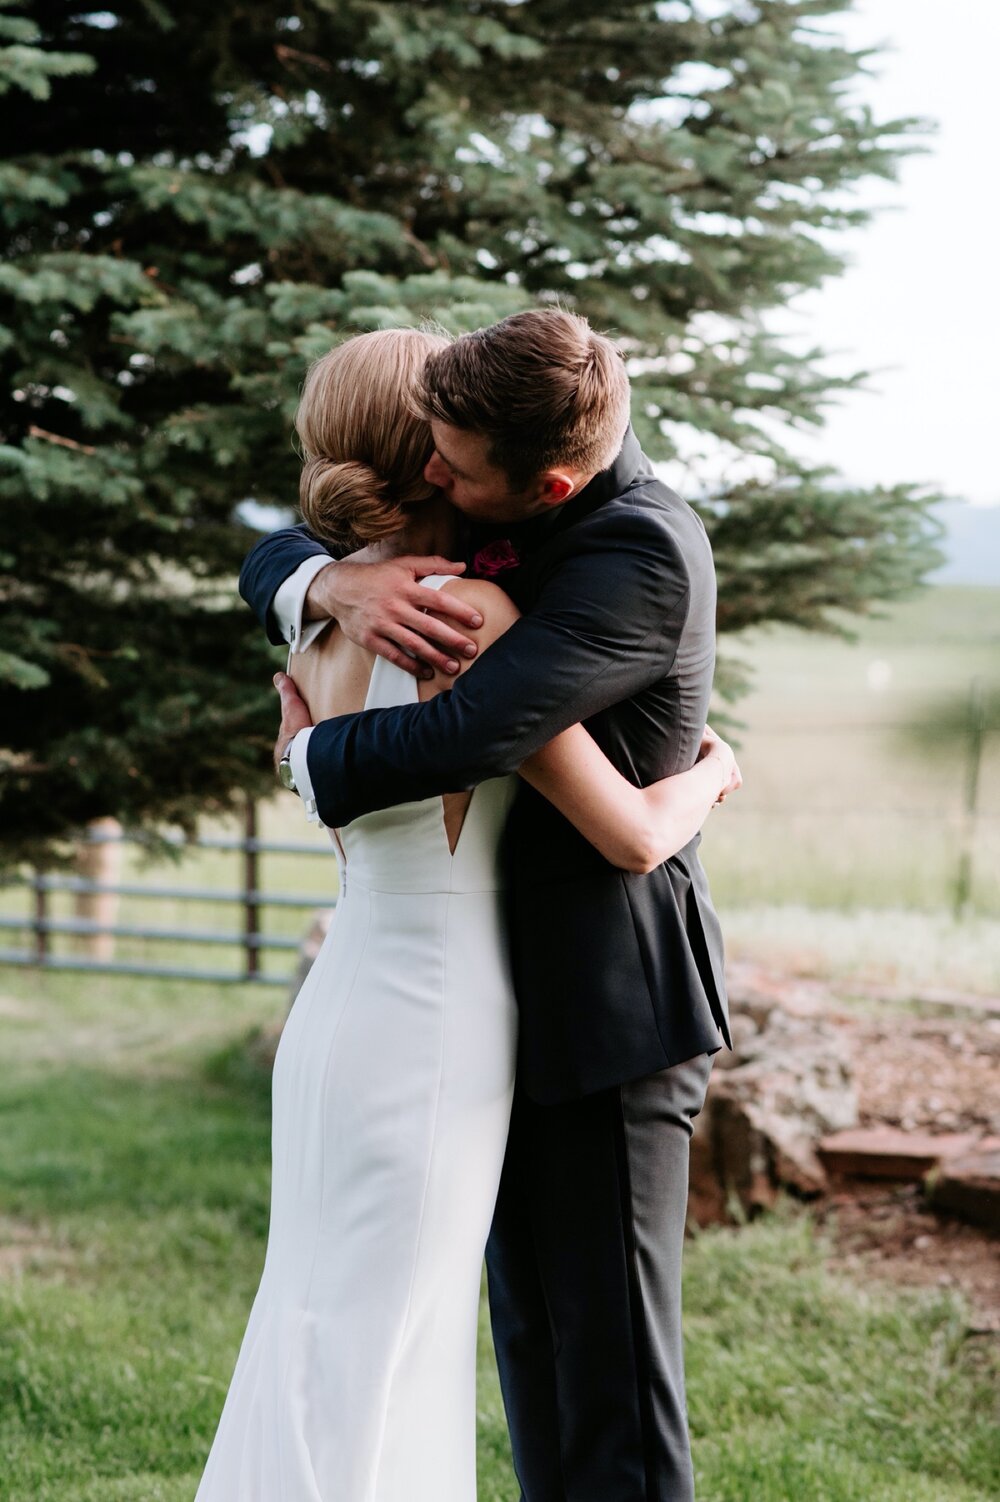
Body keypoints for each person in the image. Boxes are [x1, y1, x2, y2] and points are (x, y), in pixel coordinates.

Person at [198, 326, 740, 1502]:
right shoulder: (456, 589)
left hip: (593, 1014)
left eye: (459, 461)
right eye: (431, 455)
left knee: (594, 1377)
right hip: (457, 1012)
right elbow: (633, 824)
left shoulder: (627, 551)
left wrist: (312, 664)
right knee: (483, 1343)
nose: (444, 477)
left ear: (538, 484)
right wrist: (712, 772)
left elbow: (472, 737)